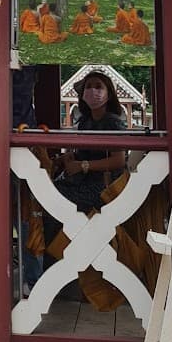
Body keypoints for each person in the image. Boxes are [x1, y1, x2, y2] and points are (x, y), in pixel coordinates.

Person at [51, 71, 129, 310]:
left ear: (108, 93)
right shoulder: (83, 120)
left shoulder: (114, 121)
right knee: (45, 198)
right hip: (81, 181)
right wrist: (66, 159)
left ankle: (62, 269)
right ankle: (58, 269)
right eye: (89, 87)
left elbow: (118, 161)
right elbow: (81, 152)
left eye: (99, 87)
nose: (93, 92)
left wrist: (84, 165)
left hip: (103, 186)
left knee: (55, 203)